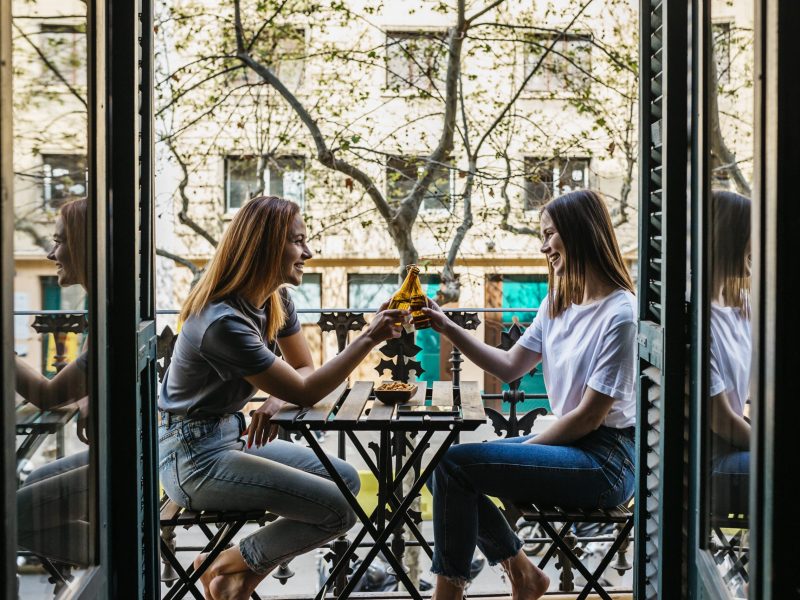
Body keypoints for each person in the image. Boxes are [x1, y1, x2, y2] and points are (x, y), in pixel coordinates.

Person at [157, 195, 405, 600]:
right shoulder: (223, 323)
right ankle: (222, 564)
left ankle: (237, 581)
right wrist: (369, 336)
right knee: (338, 511)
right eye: (297, 241)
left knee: (344, 477)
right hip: (192, 459)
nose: (307, 252)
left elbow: (301, 371)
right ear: (265, 247)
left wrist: (275, 400)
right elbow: (306, 388)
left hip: (230, 438)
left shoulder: (276, 300)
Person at [421, 190, 637, 600]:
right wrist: (446, 326)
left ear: (580, 232)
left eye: (549, 234)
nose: (543, 246)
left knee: (453, 465)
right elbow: (509, 366)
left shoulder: (622, 314)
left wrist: (527, 449)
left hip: (608, 460)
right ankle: (522, 573)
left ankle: (452, 593)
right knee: (444, 469)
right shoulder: (558, 302)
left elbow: (591, 417)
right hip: (573, 445)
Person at [15, 197, 92, 567]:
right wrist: (88, 397)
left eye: (58, 241)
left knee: (13, 518)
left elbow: (47, 395)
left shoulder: (110, 318)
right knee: (27, 491)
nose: (50, 253)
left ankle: (130, 557)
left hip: (132, 467)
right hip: (134, 459)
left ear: (84, 244)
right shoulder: (106, 306)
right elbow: (75, 387)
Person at [708, 190, 752, 517]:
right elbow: (721, 420)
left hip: (736, 444)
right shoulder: (696, 319)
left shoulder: (740, 307)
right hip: (711, 462)